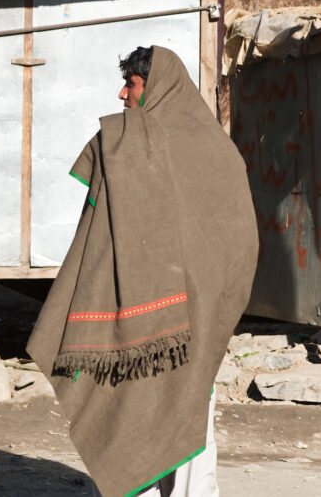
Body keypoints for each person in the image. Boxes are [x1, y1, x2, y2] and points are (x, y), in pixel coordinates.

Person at [28, 46, 258, 496]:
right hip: (180, 313)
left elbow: (232, 240)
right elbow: (241, 247)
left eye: (130, 84)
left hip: (181, 317)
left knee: (174, 413)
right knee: (151, 412)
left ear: (155, 86)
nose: (121, 94)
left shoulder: (126, 143)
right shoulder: (214, 148)